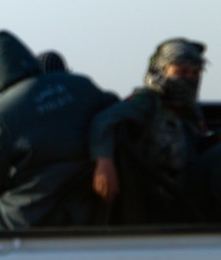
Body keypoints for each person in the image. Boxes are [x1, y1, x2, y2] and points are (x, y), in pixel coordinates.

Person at [0, 30, 118, 230]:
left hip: (24, 220)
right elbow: (115, 113)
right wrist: (104, 157)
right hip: (89, 209)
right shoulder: (81, 86)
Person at [90, 37, 221, 223]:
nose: (190, 78)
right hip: (163, 198)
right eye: (181, 71)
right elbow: (104, 121)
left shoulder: (190, 110)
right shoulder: (145, 101)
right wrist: (104, 164)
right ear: (161, 70)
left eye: (195, 72)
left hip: (190, 192)